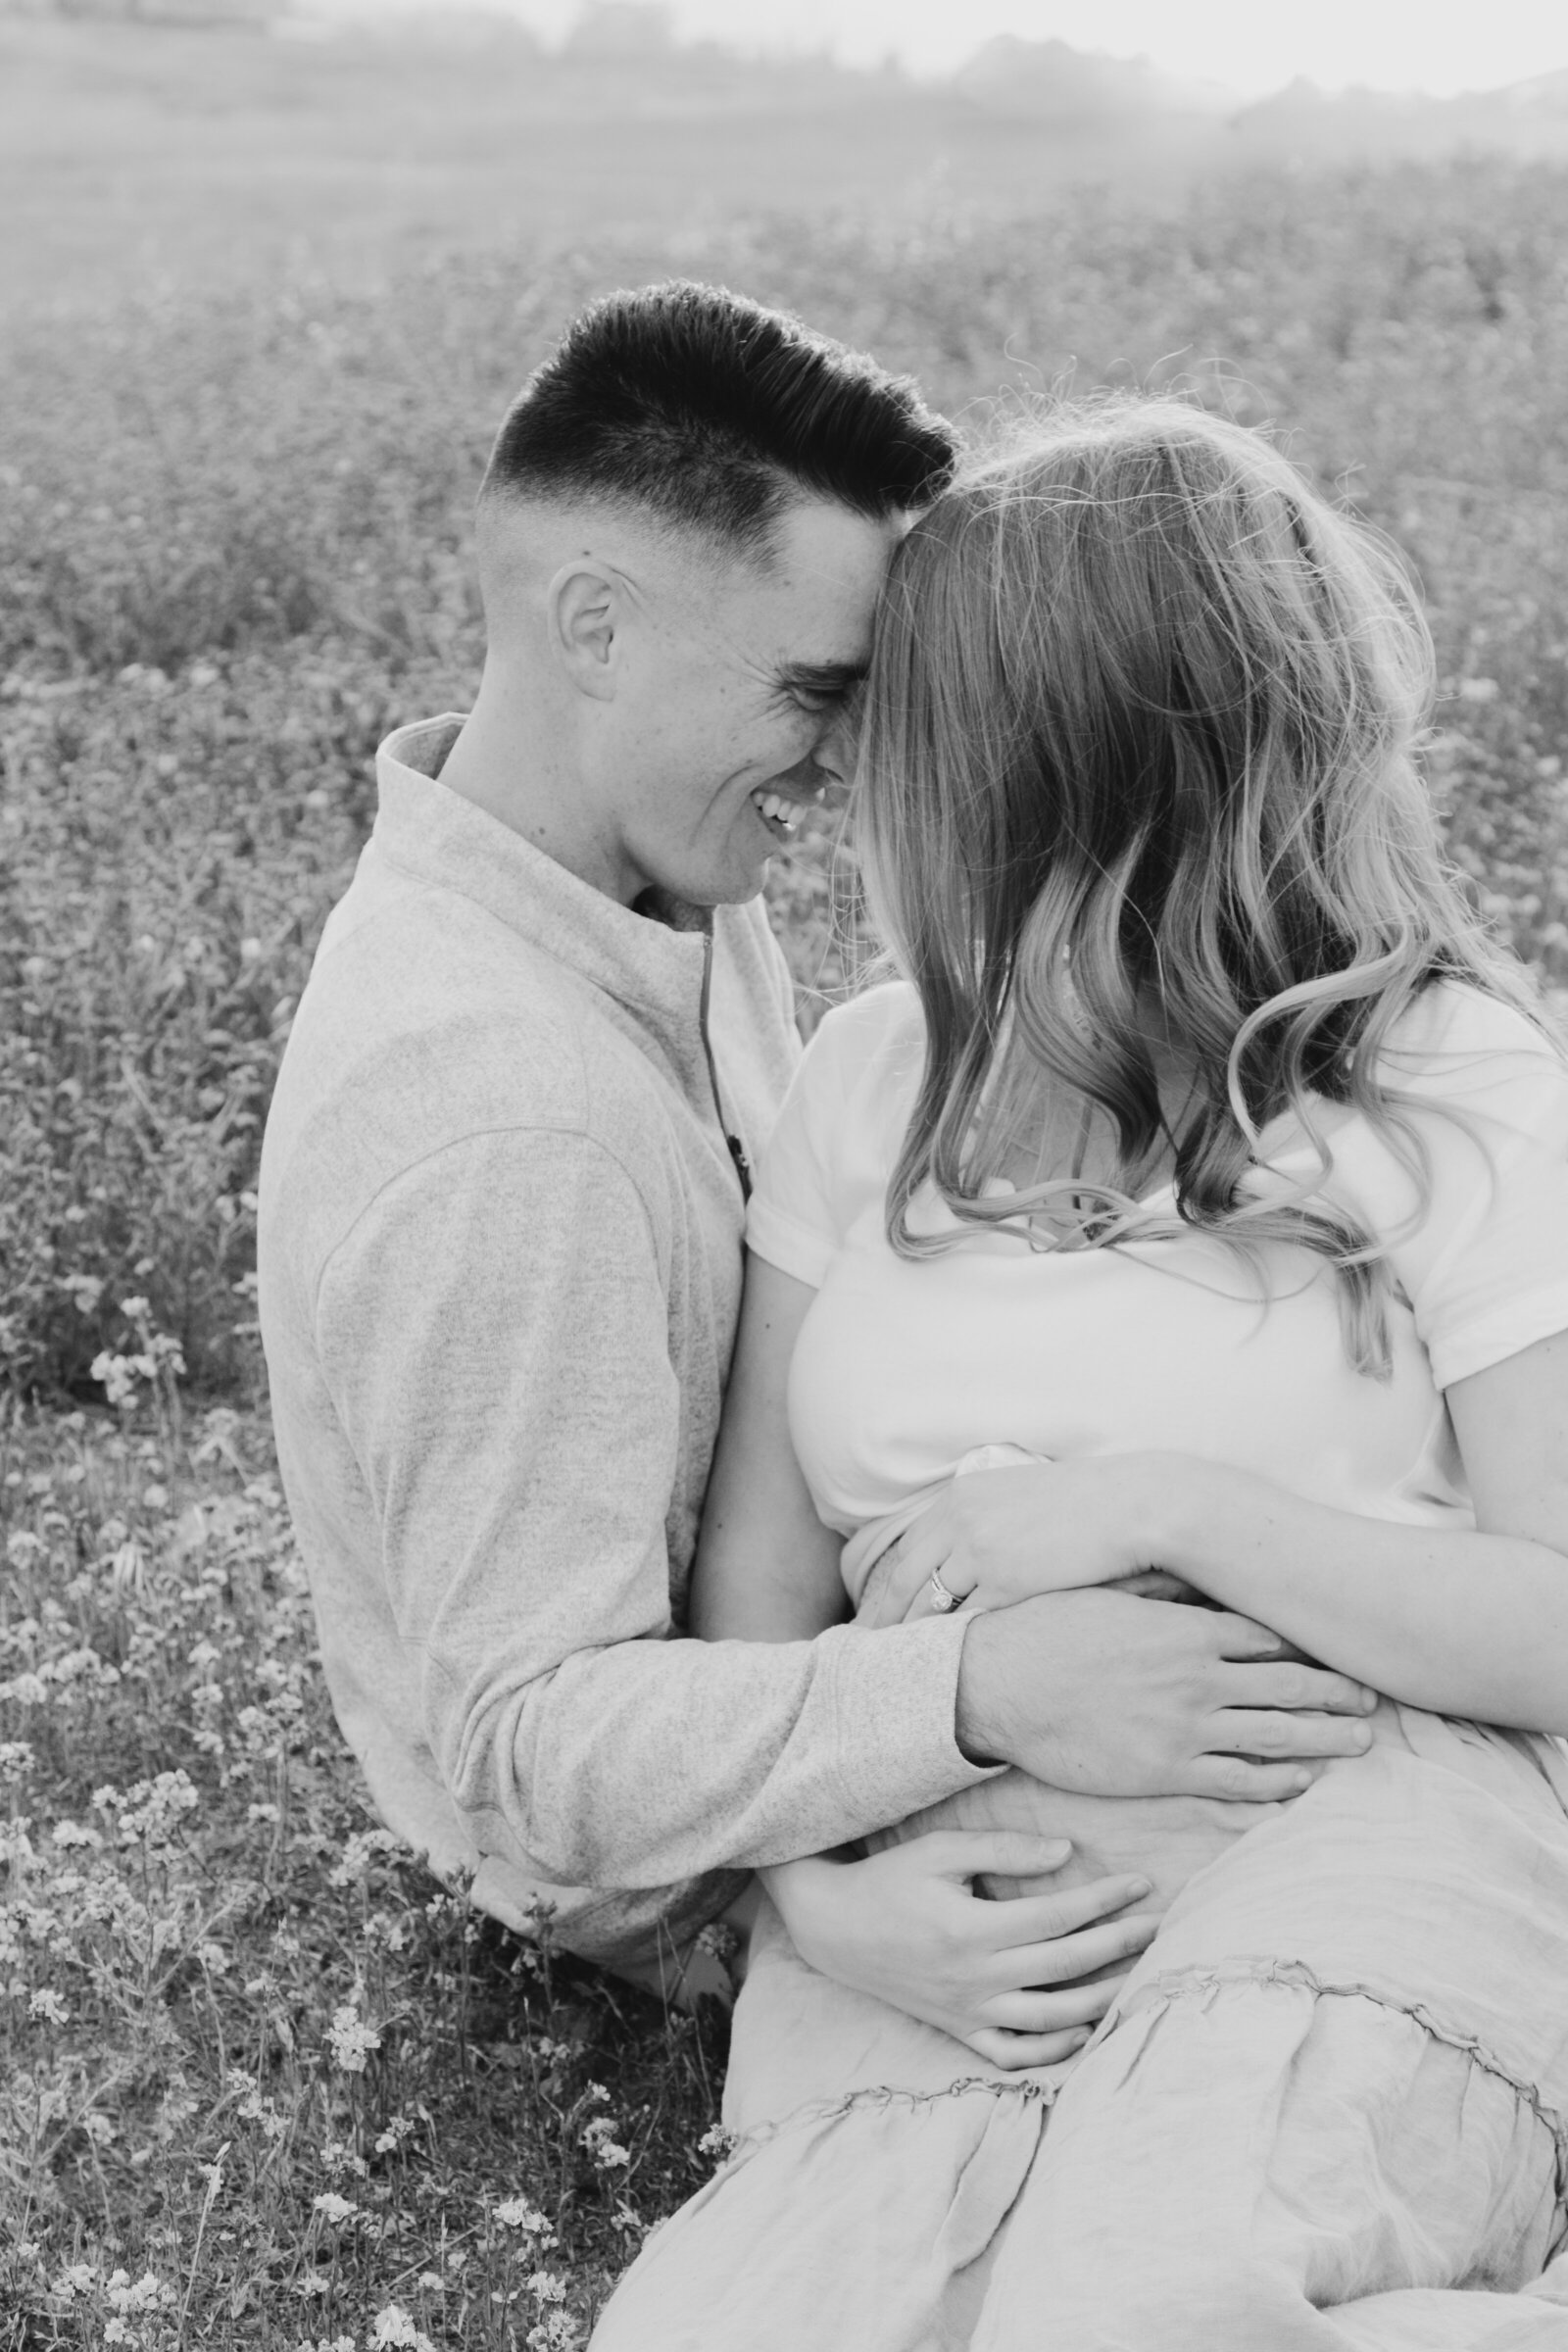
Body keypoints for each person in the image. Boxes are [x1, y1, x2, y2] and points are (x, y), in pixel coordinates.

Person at [256, 288, 1367, 2033]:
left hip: (837, 1669)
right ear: (596, 627)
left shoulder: (648, 885)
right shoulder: (500, 1119)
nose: (854, 763)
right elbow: (535, 1747)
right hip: (739, 1859)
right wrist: (963, 1708)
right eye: (817, 691)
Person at [592, 399, 1568, 2348]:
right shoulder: (876, 1079)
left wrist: (1159, 1507)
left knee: (1144, 2313)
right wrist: (800, 1894)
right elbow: (751, 1623)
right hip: (937, 1911)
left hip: (1337, 1839)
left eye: (904, 715)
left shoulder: (1437, 1075)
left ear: (1064, 754)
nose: (847, 766)